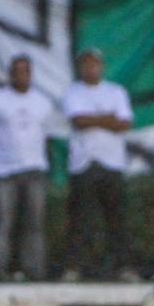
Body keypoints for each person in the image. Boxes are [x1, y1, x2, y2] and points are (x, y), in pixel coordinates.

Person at [0, 54, 57, 282]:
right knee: (2, 222)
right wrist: (2, 153)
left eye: (26, 71)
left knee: (35, 223)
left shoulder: (42, 102)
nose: (21, 75)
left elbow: (47, 136)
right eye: (17, 71)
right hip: (5, 171)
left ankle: (35, 270)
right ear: (10, 74)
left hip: (34, 169)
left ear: (31, 74)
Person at [61, 49, 137, 282]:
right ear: (80, 67)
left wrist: (93, 119)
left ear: (101, 66)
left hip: (112, 162)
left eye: (94, 64)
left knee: (117, 219)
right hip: (83, 163)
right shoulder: (73, 92)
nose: (90, 68)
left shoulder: (116, 92)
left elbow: (123, 124)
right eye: (86, 64)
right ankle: (75, 268)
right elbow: (78, 120)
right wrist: (107, 119)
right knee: (80, 219)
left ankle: (122, 267)